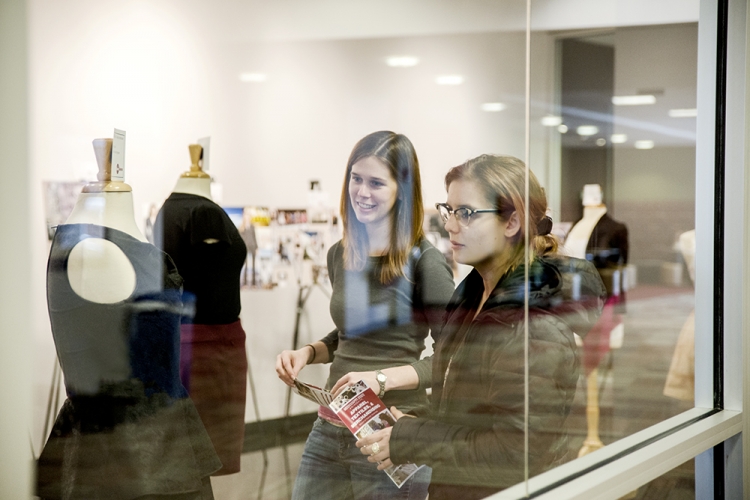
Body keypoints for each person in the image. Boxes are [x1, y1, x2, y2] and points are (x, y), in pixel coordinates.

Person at [355, 154, 606, 500]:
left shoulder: (534, 327)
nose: (451, 225)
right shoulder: (473, 295)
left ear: (511, 222)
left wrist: (412, 438)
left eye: (467, 214)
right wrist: (411, 426)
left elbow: (513, 455)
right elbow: (473, 411)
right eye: (450, 210)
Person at [276, 131, 455, 500]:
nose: (362, 192)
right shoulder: (340, 254)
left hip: (391, 431)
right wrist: (307, 353)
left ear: (402, 189)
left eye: (376, 183)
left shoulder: (426, 263)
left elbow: (454, 358)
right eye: (356, 179)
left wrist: (381, 379)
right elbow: (351, 334)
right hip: (331, 426)